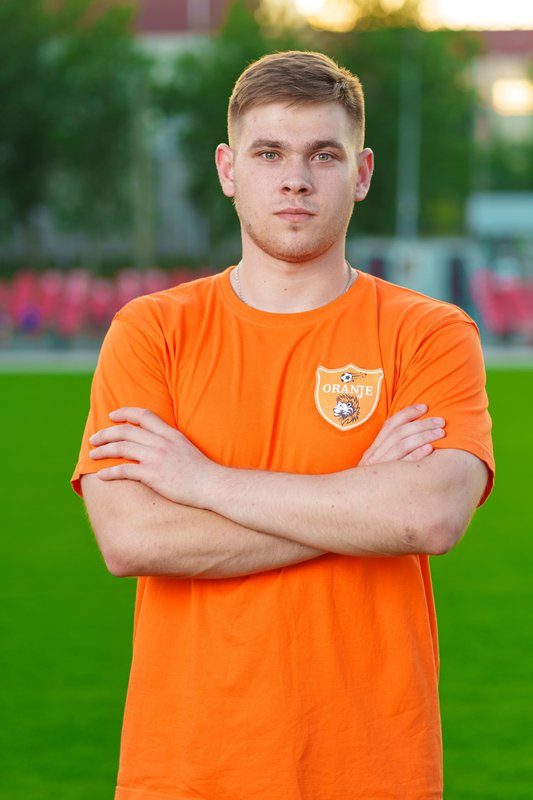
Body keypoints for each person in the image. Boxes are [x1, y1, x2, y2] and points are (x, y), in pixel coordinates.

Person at [72, 51, 494, 800]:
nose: (295, 178)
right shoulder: (151, 331)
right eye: (268, 153)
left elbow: (426, 517)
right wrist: (358, 497)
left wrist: (203, 483)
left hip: (371, 769)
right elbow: (133, 538)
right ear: (228, 169)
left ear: (361, 173)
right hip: (189, 770)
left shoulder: (429, 333)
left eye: (322, 155)